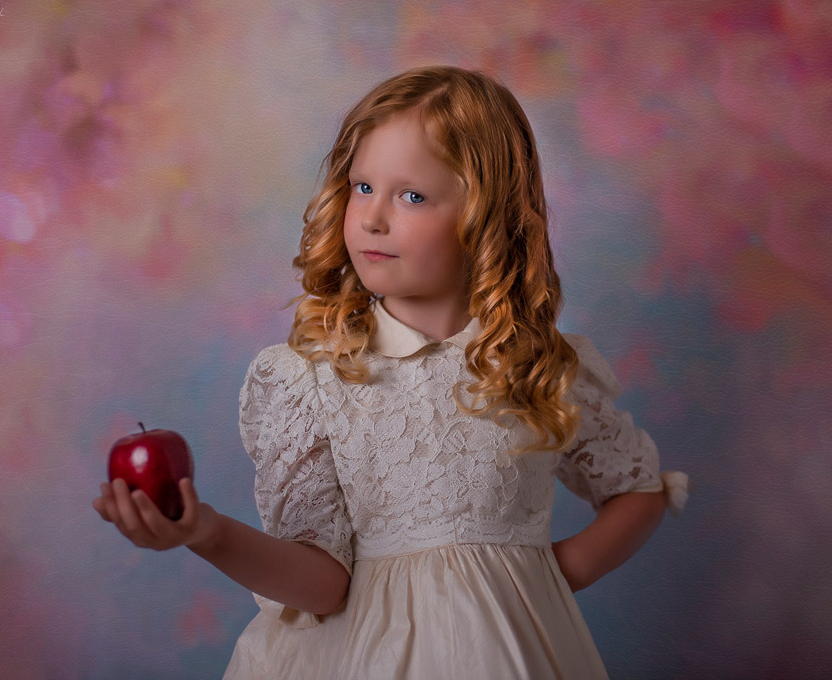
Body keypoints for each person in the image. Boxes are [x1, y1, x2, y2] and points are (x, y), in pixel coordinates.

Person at [93, 65, 688, 679]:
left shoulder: (535, 365)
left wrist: (543, 578)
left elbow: (638, 488)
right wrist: (207, 532)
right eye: (362, 187)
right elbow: (323, 586)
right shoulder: (312, 379)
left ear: (487, 216)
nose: (373, 218)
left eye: (412, 196)